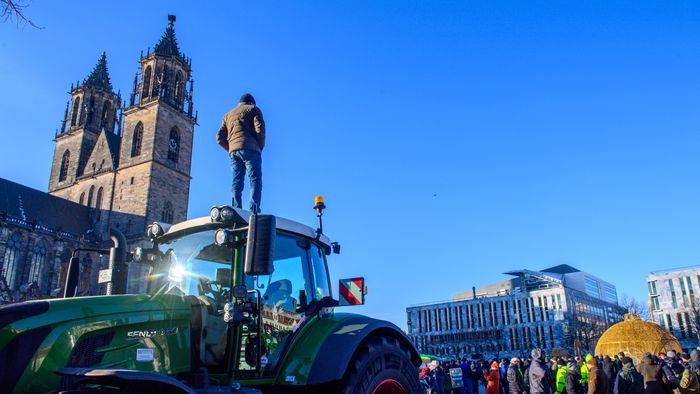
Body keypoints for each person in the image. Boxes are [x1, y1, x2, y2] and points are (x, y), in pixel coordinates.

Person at [217, 93, 266, 212]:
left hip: (234, 152)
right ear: (252, 102)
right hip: (251, 150)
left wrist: (231, 148)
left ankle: (236, 210)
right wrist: (259, 147)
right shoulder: (254, 109)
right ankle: (254, 210)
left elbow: (219, 138)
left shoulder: (227, 115)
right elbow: (260, 130)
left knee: (236, 182)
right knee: (255, 180)